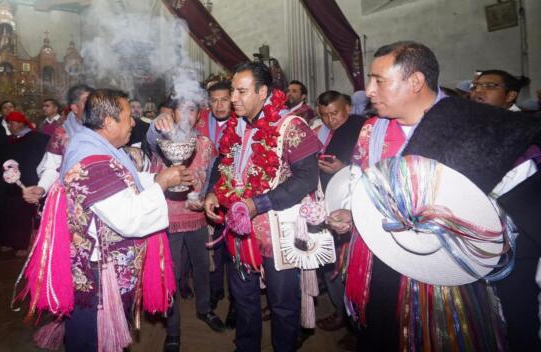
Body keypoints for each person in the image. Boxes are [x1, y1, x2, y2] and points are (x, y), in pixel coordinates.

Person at [329, 41, 541, 351]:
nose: (369, 91)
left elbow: (523, 211)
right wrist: (352, 213)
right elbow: (362, 185)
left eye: (379, 80)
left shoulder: (480, 126)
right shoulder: (370, 130)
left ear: (415, 81)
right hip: (380, 268)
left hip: (447, 284)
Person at [51, 89, 192, 352]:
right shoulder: (91, 160)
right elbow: (129, 218)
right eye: (128, 116)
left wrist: (158, 179)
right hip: (97, 279)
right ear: (108, 122)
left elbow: (125, 184)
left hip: (105, 271)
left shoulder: (94, 147)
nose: (134, 122)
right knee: (92, 343)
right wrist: (160, 184)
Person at [204, 62, 322, 352]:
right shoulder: (236, 125)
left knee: (282, 304)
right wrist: (213, 193)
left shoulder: (290, 126)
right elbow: (224, 164)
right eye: (233, 90)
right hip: (240, 228)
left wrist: (259, 204)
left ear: (263, 91)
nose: (233, 98)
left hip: (278, 231)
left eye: (241, 91)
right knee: (243, 299)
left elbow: (307, 178)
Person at [148, 98, 225, 352]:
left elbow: (214, 173)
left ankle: (204, 309)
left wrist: (206, 195)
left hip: (196, 216)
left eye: (191, 110)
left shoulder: (204, 143)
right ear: (172, 113)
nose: (186, 115)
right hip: (168, 219)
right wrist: (156, 125)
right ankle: (172, 329)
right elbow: (149, 138)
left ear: (198, 114)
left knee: (203, 268)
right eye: (180, 109)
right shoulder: (162, 138)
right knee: (171, 274)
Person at [311, 92, 365, 349]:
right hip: (324, 202)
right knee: (330, 261)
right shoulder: (320, 129)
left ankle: (353, 320)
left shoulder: (361, 128)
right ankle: (341, 311)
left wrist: (343, 168)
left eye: (335, 113)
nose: (330, 120)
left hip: (351, 207)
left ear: (349, 108)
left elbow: (372, 169)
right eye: (324, 115)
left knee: (348, 266)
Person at [195, 80, 233, 312]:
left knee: (234, 249)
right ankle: (215, 291)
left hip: (231, 193)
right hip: (205, 193)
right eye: (214, 100)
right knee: (212, 246)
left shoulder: (241, 123)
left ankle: (236, 306)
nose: (219, 105)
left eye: (224, 99)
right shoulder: (199, 120)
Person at [23, 84, 94, 206]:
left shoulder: (106, 128)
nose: (93, 107)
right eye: (88, 103)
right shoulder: (62, 133)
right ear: (75, 108)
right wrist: (42, 188)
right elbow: (52, 167)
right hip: (72, 199)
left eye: (95, 102)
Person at [0, 111, 48, 256]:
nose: (9, 126)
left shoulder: (37, 138)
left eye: (12, 123)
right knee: (9, 211)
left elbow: (43, 158)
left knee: (24, 214)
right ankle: (10, 241)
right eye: (8, 123)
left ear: (21, 123)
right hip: (11, 181)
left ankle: (24, 244)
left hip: (29, 180)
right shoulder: (10, 139)